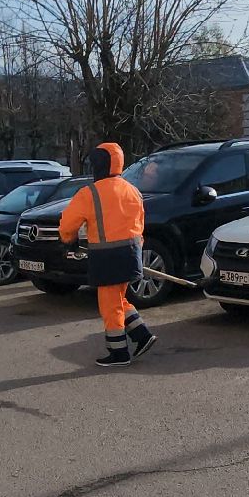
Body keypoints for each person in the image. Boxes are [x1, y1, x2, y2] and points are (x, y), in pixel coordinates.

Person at [58, 142, 158, 368]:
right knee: (118, 300)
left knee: (110, 305)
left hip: (106, 257)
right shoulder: (132, 190)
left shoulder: (90, 193)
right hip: (131, 252)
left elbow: (68, 225)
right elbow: (140, 224)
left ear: (98, 166)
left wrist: (68, 240)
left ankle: (119, 352)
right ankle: (141, 335)